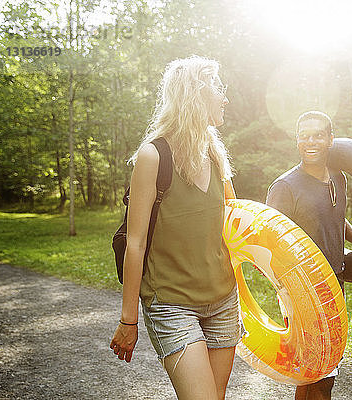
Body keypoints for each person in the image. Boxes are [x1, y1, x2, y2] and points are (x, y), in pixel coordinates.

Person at [109, 55, 243, 400]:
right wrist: (128, 320)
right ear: (196, 95)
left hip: (223, 299)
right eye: (218, 90)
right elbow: (135, 243)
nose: (225, 99)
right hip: (172, 303)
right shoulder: (153, 156)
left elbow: (236, 222)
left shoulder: (214, 152)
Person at [266, 111, 352, 400]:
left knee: (319, 374)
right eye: (304, 135)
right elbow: (269, 243)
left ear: (330, 139)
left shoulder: (338, 178)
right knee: (318, 374)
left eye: (318, 135)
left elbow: (336, 217)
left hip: (336, 283)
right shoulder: (284, 187)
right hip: (302, 291)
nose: (310, 141)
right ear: (297, 140)